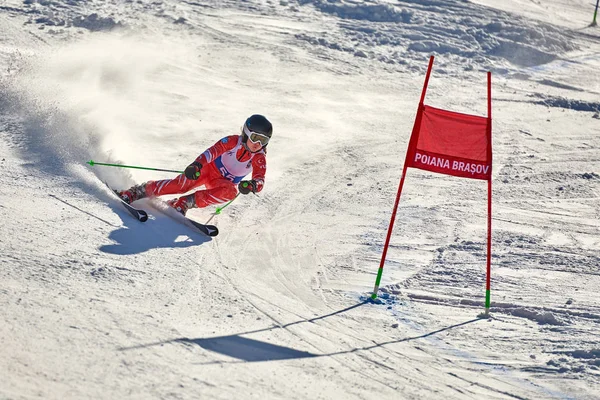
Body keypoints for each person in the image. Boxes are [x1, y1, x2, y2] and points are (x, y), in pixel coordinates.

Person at [117, 114, 272, 216]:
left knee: (230, 192)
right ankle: (138, 191)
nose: (258, 144)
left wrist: (252, 185)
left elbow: (260, 180)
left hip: (221, 183)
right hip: (206, 170)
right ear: (246, 133)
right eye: (256, 137)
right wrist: (197, 165)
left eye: (263, 140)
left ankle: (185, 202)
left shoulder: (259, 158)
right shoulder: (232, 142)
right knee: (180, 185)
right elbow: (212, 152)